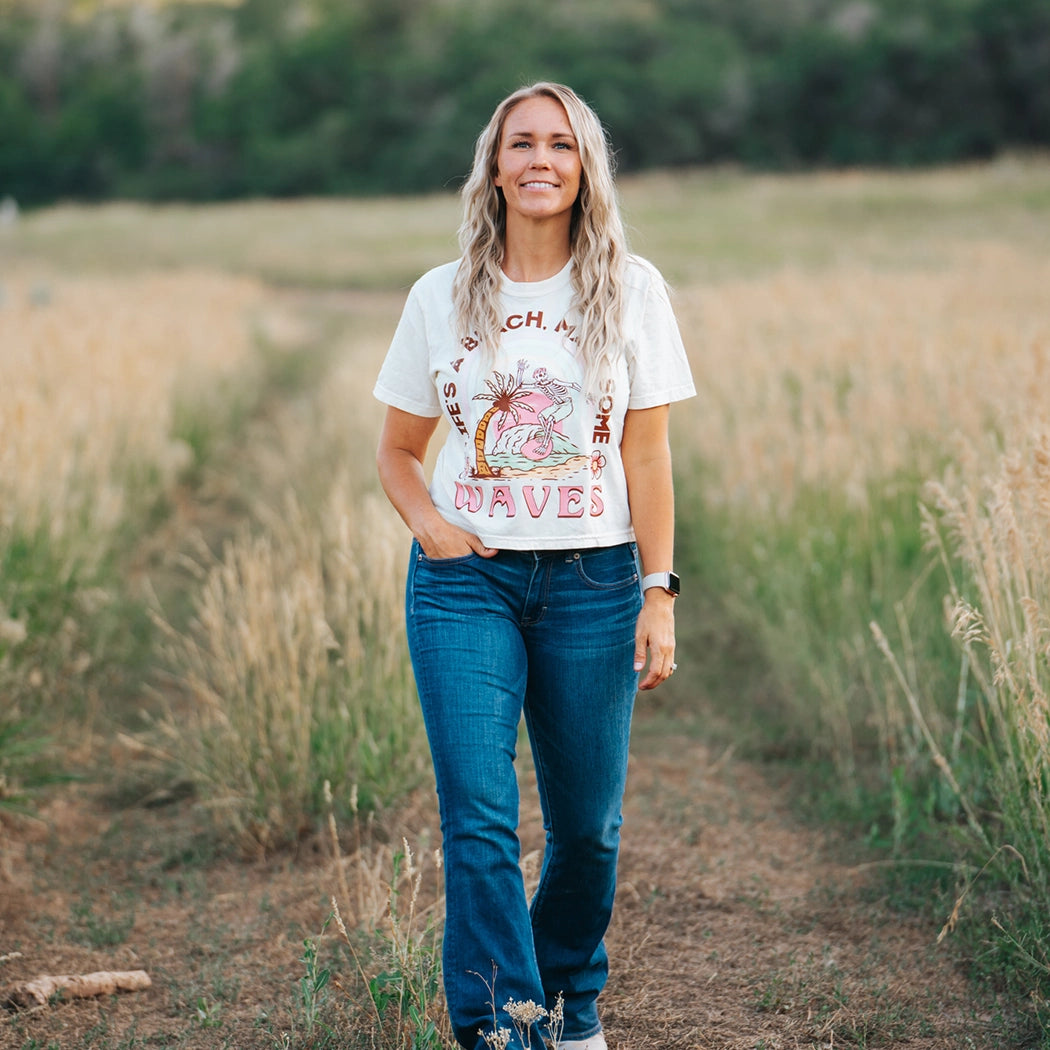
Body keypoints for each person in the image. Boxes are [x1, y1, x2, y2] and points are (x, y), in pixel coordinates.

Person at [373, 82, 695, 1050]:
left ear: (585, 164)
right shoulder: (441, 296)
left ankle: (569, 999)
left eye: (561, 143)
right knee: (478, 819)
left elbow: (646, 457)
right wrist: (430, 523)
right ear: (495, 164)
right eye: (522, 143)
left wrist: (658, 592)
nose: (541, 160)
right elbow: (396, 452)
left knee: (589, 828)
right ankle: (506, 1027)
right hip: (467, 583)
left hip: (594, 586)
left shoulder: (633, 290)